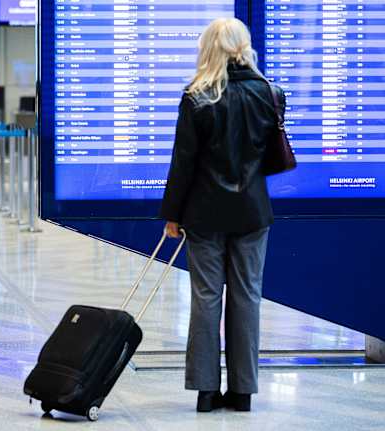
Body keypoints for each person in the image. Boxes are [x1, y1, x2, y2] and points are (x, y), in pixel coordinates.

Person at [160, 18, 280, 413]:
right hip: (252, 213)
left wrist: (172, 215)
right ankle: (243, 392)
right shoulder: (270, 93)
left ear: (208, 47)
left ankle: (206, 391)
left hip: (205, 213)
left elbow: (183, 164)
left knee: (206, 298)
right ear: (243, 46)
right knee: (247, 297)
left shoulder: (196, 97)